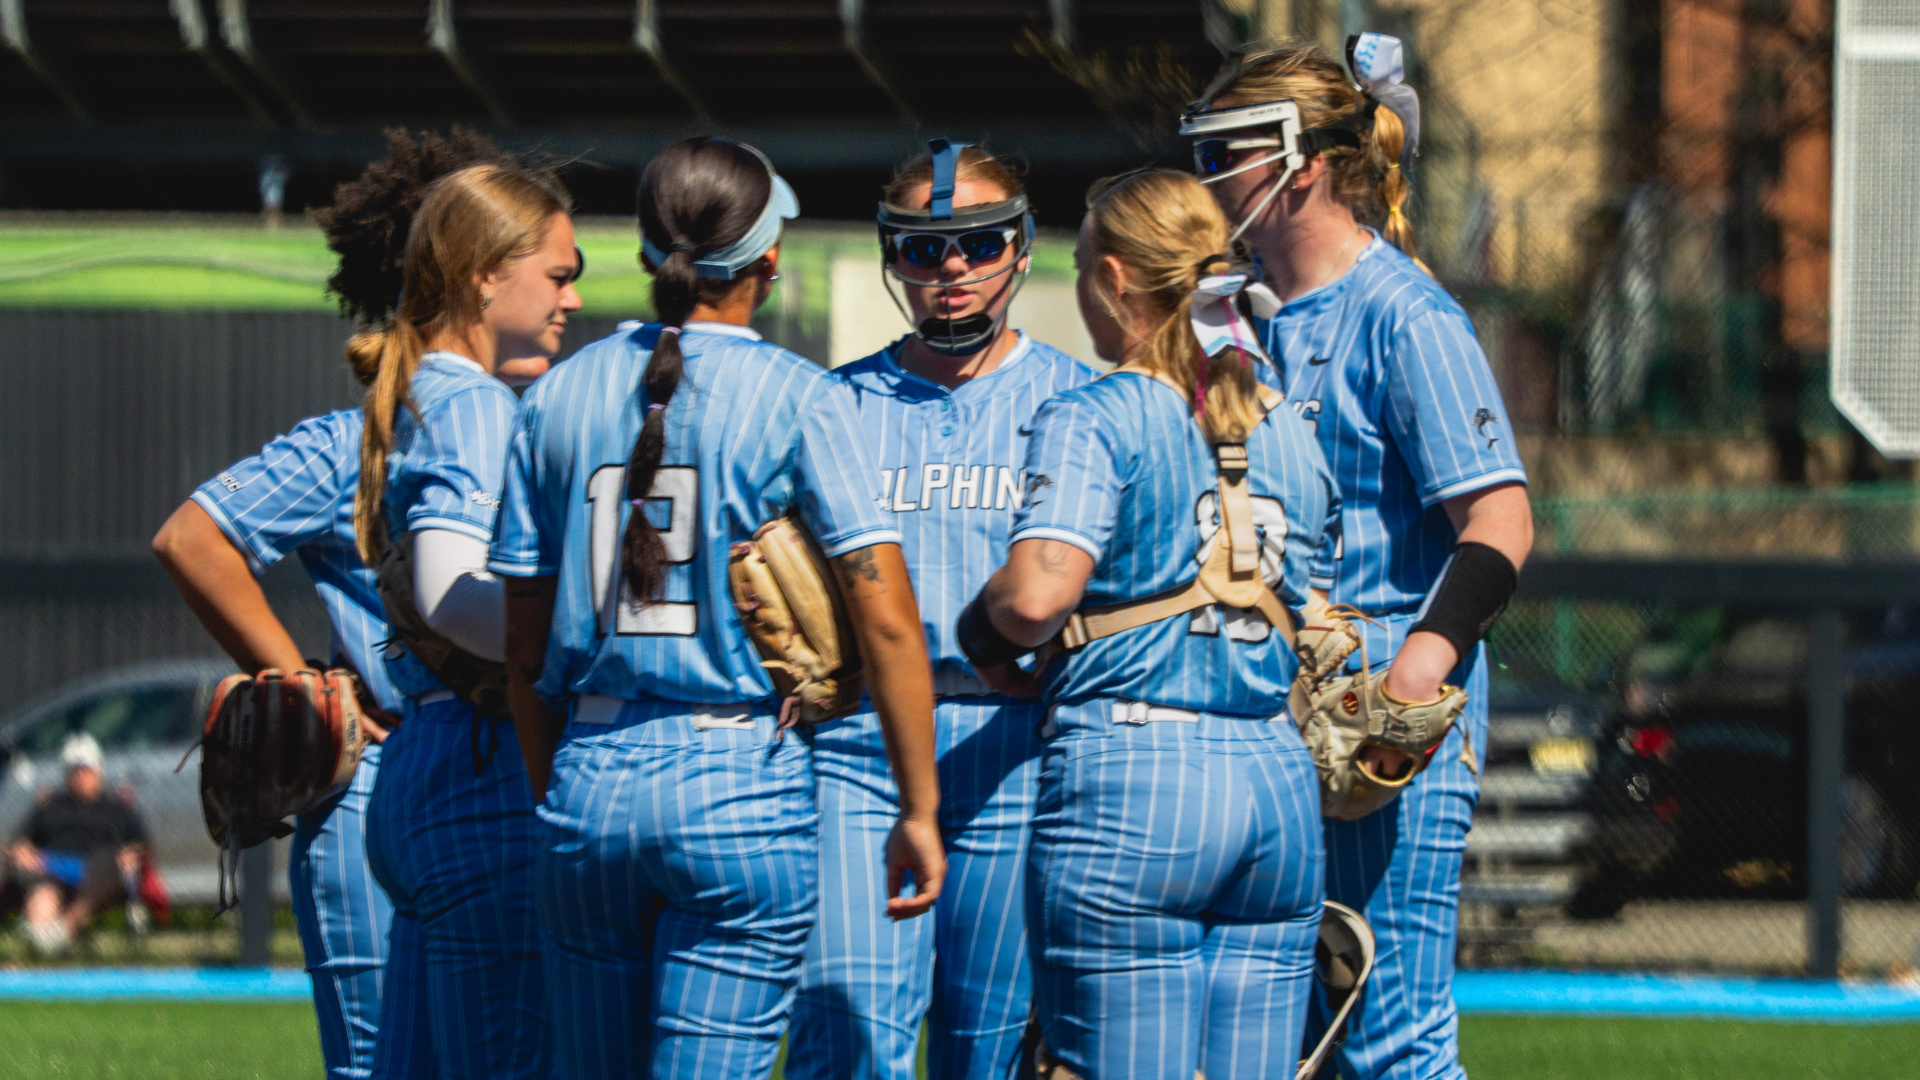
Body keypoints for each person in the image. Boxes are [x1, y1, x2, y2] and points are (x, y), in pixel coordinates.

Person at [490, 135, 946, 1079]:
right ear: (767, 260)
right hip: (737, 768)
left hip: (593, 767)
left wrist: (554, 786)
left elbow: (524, 641)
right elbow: (889, 619)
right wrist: (919, 806)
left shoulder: (557, 396)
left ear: (650, 252)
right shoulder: (802, 396)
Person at [1184, 35, 1534, 1080]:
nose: (1205, 180)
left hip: (1378, 706)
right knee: (1284, 1043)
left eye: (1226, 153)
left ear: (1303, 163)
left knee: (1388, 1039)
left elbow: (1502, 521)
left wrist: (1417, 669)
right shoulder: (1228, 314)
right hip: (1266, 701)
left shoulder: (1406, 313)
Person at [151, 130, 535, 1080]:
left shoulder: (525, 415)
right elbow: (192, 537)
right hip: (380, 778)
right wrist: (295, 676)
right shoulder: (358, 439)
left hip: (485, 778)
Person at [959, 169, 1341, 1080]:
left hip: (1137, 779)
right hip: (1275, 784)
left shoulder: (1100, 411)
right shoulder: (1286, 423)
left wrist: (983, 642)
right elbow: (1318, 596)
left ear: (1119, 278)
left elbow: (1036, 597)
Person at [787, 140, 1095, 1080]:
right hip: (860, 754)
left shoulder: (1083, 401)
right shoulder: (829, 403)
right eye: (924, 249)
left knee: (992, 1050)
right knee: (848, 1042)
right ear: (892, 256)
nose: (952, 269)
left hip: (1015, 749)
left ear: (1023, 246)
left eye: (978, 242)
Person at [350, 154, 582, 1079]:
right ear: (487, 275)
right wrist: (593, 633)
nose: (570, 299)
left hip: (419, 766)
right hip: (481, 775)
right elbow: (452, 594)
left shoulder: (415, 395)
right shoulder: (481, 405)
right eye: (558, 275)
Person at [5, 734, 150, 956]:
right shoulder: (50, 808)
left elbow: (142, 845)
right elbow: (19, 844)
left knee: (107, 861)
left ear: (98, 769)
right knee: (44, 891)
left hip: (102, 875)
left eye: (87, 769)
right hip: (54, 871)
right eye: (76, 770)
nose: (82, 776)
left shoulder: (117, 808)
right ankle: (44, 946)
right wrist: (22, 853)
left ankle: (62, 930)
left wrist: (132, 855)